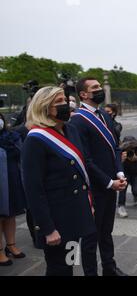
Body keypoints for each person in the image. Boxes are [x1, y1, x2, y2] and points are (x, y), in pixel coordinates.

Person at [20, 87, 96, 275]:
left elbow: (80, 170)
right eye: (59, 101)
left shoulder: (70, 129)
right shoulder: (36, 140)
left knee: (70, 263)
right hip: (56, 219)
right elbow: (33, 189)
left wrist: (88, 203)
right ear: (45, 107)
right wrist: (47, 228)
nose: (66, 104)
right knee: (58, 268)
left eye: (65, 99)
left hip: (75, 215)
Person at [71, 77, 128, 276]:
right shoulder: (78, 120)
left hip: (112, 183)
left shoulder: (104, 114)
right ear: (83, 94)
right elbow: (85, 159)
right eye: (94, 88)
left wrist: (119, 173)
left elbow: (115, 147)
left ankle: (109, 268)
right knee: (90, 236)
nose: (99, 90)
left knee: (106, 232)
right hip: (94, 187)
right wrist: (108, 181)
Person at [0, 113, 27, 266]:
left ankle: (11, 245)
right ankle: (0, 250)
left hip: (11, 178)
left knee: (11, 215)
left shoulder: (11, 137)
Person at [117, 136, 137, 217]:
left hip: (136, 172)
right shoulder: (121, 150)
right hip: (125, 172)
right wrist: (121, 159)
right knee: (122, 189)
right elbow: (114, 160)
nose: (130, 149)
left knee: (136, 190)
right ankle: (121, 206)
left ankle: (136, 196)